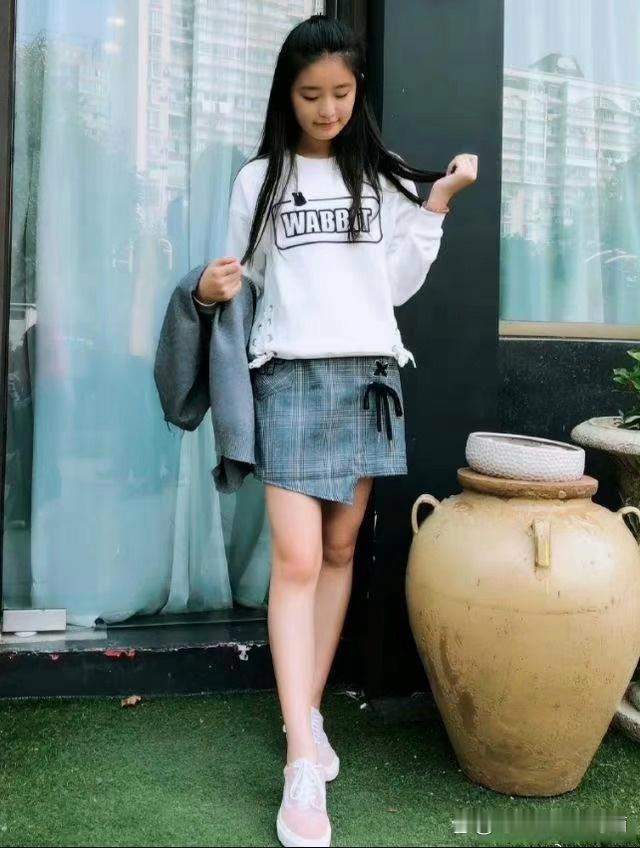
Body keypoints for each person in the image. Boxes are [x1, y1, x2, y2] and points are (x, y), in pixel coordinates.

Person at [194, 14, 477, 848]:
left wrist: (435, 205)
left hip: (367, 377)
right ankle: (299, 764)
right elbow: (240, 279)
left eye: (341, 93)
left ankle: (308, 715)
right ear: (287, 95)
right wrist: (209, 292)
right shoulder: (259, 179)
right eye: (311, 94)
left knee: (343, 549)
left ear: (359, 93)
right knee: (298, 558)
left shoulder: (377, 177)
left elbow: (393, 284)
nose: (327, 109)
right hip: (287, 375)